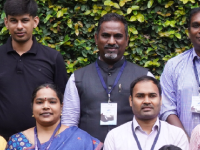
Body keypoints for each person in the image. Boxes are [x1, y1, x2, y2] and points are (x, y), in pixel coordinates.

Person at [0, 0, 69, 139]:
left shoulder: (52, 58)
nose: (19, 26)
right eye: (14, 21)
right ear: (6, 22)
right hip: (1, 141)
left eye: (25, 20)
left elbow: (62, 101)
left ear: (35, 21)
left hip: (43, 142)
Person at [61, 13, 152, 143]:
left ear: (127, 40)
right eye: (105, 36)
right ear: (96, 38)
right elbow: (69, 125)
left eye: (118, 36)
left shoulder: (145, 77)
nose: (111, 41)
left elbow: (152, 122)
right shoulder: (77, 78)